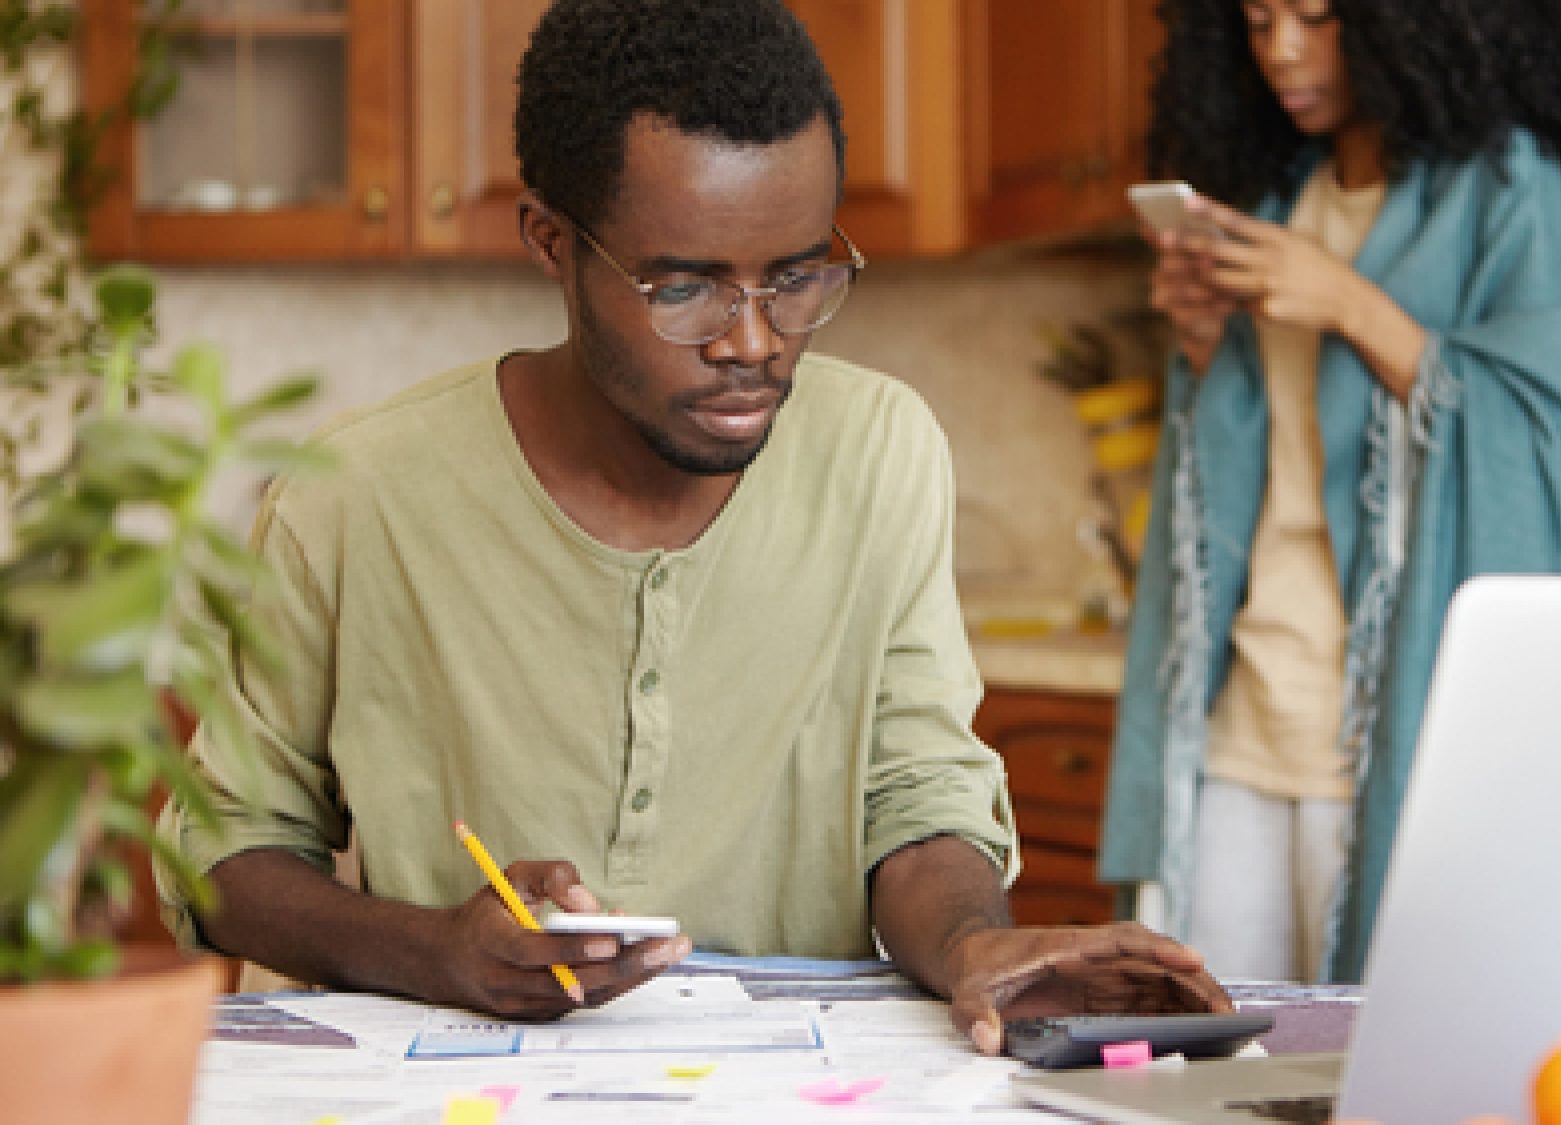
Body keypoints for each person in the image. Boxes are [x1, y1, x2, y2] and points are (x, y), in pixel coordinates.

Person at [159, 0, 1228, 1051]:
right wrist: (439, 948)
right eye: (685, 287)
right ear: (549, 242)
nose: (754, 342)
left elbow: (917, 796)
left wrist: (966, 946)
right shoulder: (353, 492)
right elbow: (226, 854)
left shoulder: (879, 451)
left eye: (796, 275)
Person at [1099, 0, 1561, 983]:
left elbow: (1555, 451)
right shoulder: (1276, 200)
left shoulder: (1513, 197)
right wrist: (1205, 343)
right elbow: (1240, 464)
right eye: (1256, 22)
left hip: (1394, 742)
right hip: (1241, 723)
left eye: (1317, 15)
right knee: (1204, 1057)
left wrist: (1348, 305)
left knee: (1376, 1069)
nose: (1281, 52)